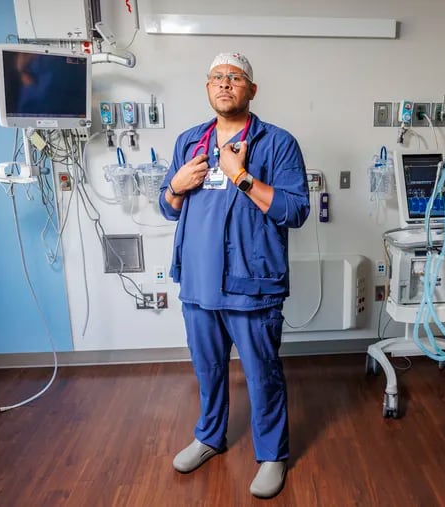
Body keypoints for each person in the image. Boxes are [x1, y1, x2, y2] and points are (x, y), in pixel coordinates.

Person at [159, 52, 309, 499]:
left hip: (252, 285)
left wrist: (240, 175)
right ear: (208, 88)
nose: (226, 84)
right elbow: (167, 209)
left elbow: (295, 210)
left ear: (251, 90)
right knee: (208, 371)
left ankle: (271, 456)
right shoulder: (189, 142)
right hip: (199, 284)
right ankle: (209, 436)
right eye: (218, 77)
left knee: (262, 375)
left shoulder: (277, 143)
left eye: (236, 78)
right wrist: (175, 187)